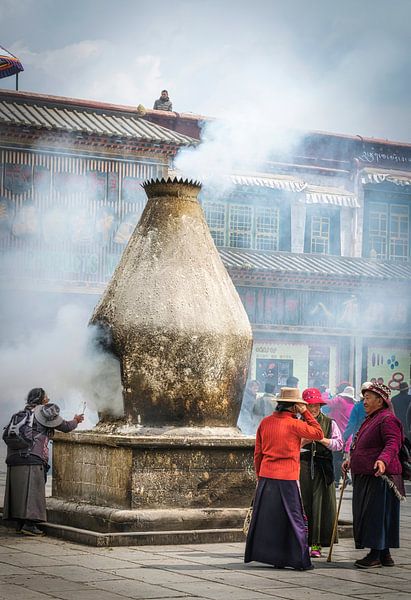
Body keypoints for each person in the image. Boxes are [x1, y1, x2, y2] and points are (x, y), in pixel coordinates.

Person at [244, 387, 323, 570]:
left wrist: (259, 476)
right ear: (294, 407)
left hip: (266, 476)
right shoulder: (295, 425)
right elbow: (318, 433)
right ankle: (301, 560)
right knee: (295, 519)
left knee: (271, 519)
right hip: (287, 477)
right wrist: (306, 413)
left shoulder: (265, 422)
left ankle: (275, 557)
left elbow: (258, 454)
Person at [3, 387, 84, 536]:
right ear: (42, 399)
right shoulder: (44, 412)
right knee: (33, 492)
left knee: (19, 492)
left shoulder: (20, 414)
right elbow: (65, 427)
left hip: (14, 458)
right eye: (46, 397)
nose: (48, 399)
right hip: (32, 457)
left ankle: (20, 523)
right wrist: (76, 420)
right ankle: (30, 525)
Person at [342, 382, 405, 569]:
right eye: (364, 398)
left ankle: (375, 555)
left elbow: (393, 443)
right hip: (367, 474)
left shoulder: (387, 419)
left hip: (380, 476)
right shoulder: (373, 418)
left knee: (376, 515)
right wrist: (351, 461)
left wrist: (383, 460)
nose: (364, 402)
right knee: (377, 514)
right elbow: (365, 446)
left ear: (380, 401)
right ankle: (385, 554)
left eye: (368, 398)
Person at [299, 388, 343, 559]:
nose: (314, 409)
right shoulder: (297, 422)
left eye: (316, 405)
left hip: (323, 469)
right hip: (302, 467)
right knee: (304, 504)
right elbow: (292, 444)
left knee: (320, 506)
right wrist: (307, 440)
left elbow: (338, 444)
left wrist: (322, 440)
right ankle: (301, 542)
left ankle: (317, 544)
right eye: (310, 405)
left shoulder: (330, 423)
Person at [323, 385, 356, 486]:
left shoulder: (340, 401)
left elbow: (326, 402)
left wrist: (325, 393)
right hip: (347, 434)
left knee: (336, 458)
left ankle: (337, 480)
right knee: (340, 457)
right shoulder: (352, 404)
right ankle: (344, 477)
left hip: (337, 433)